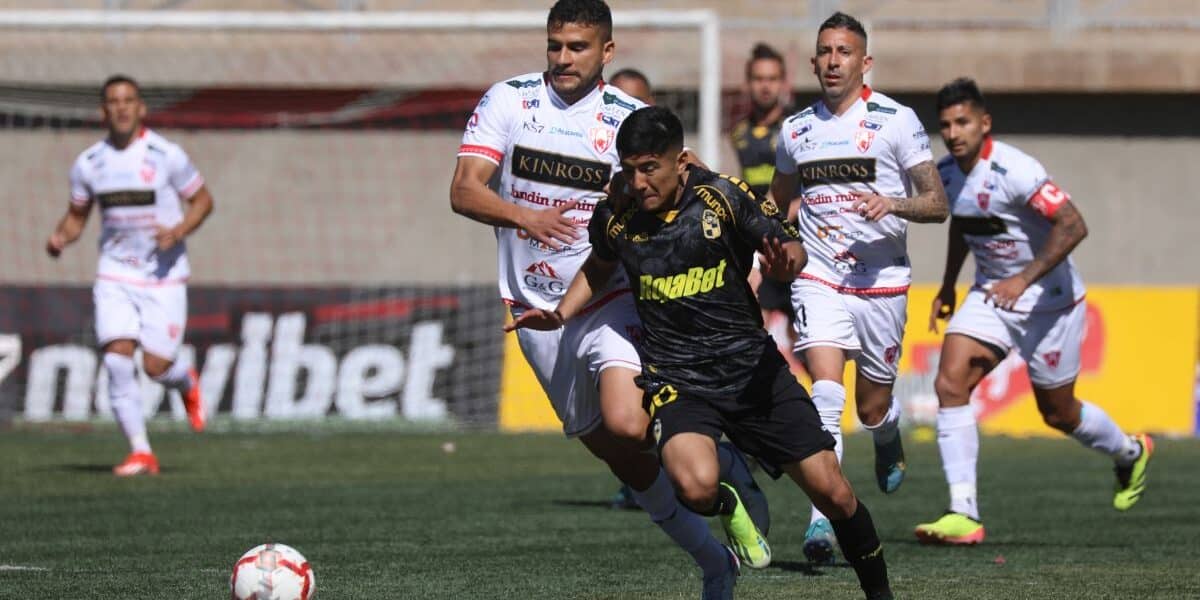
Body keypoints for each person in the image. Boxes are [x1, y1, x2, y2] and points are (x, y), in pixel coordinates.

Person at [510, 106, 894, 600]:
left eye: (650, 168)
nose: (638, 182)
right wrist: (561, 313)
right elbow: (599, 267)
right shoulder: (617, 215)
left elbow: (788, 246)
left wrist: (786, 263)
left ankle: (880, 594)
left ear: (681, 161)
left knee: (834, 493)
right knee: (694, 487)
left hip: (752, 371)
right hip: (680, 379)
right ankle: (730, 501)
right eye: (629, 169)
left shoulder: (722, 197)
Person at [448, 2, 765, 595]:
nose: (563, 58)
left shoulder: (627, 118)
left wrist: (746, 255)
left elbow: (693, 182)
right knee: (621, 456)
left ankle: (715, 467)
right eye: (555, 45)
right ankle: (714, 561)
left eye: (578, 47)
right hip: (535, 311)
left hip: (610, 293)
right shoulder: (509, 101)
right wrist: (525, 216)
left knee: (627, 422)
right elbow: (464, 189)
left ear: (607, 52)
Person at [915, 78, 1153, 544]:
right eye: (945, 125)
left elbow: (1073, 224)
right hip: (992, 295)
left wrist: (1023, 279)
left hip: (1050, 303)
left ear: (984, 123)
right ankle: (963, 512)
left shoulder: (1016, 170)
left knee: (1059, 413)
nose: (954, 133)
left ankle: (1130, 451)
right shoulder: (946, 175)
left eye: (963, 122)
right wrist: (947, 285)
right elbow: (964, 225)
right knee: (950, 382)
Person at [770, 11, 949, 563]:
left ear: (864, 62)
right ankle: (821, 517)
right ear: (813, 62)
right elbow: (776, 202)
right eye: (825, 51)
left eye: (844, 51)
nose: (833, 61)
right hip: (819, 277)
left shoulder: (896, 121)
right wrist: (764, 249)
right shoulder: (796, 130)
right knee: (826, 394)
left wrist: (891, 203)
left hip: (882, 282)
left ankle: (887, 433)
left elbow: (937, 204)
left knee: (871, 408)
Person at [45, 74, 212, 476]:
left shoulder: (166, 155)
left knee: (156, 366)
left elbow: (203, 201)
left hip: (163, 275)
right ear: (103, 111)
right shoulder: (89, 164)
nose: (121, 107)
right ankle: (141, 452)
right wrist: (60, 237)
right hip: (115, 274)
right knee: (117, 360)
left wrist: (179, 231)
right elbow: (77, 217)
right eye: (114, 101)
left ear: (141, 108)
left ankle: (185, 382)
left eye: (128, 100)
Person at [730, 42, 801, 372]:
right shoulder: (739, 133)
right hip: (758, 240)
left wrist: (777, 217)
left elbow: (808, 190)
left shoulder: (795, 129)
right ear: (748, 83)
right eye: (759, 78)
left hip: (794, 241)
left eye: (772, 79)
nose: (765, 86)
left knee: (804, 340)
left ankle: (824, 397)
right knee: (749, 325)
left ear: (783, 83)